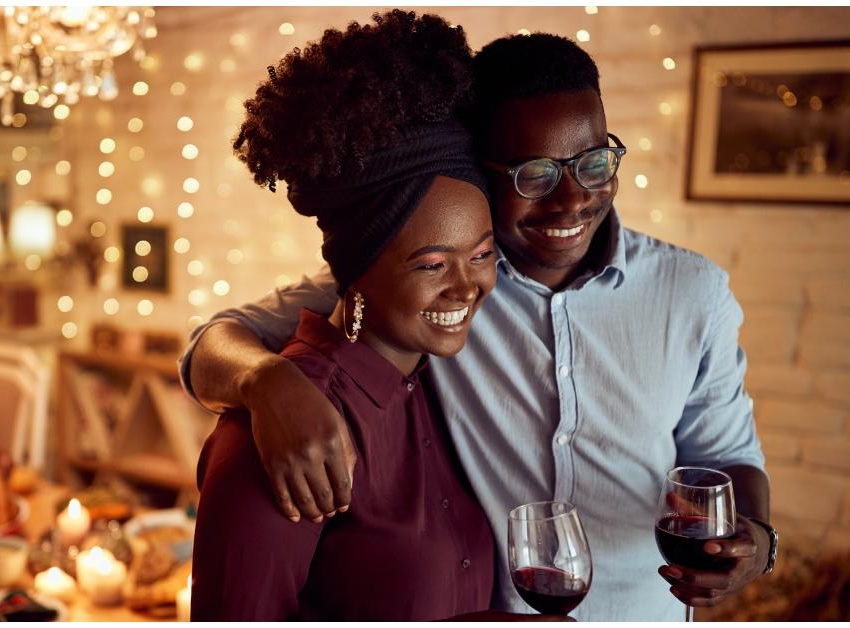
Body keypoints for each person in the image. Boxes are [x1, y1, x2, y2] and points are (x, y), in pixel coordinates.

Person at [180, 31, 774, 622]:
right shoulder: (417, 283)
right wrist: (266, 381)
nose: (572, 200)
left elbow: (727, 453)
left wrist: (757, 544)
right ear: (485, 174)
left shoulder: (692, 291)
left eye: (595, 162)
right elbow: (214, 340)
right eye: (535, 174)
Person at [191, 11, 517, 621]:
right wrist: (263, 382)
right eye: (430, 266)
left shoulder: (442, 388)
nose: (466, 288)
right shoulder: (282, 440)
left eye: (481, 255)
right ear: (356, 269)